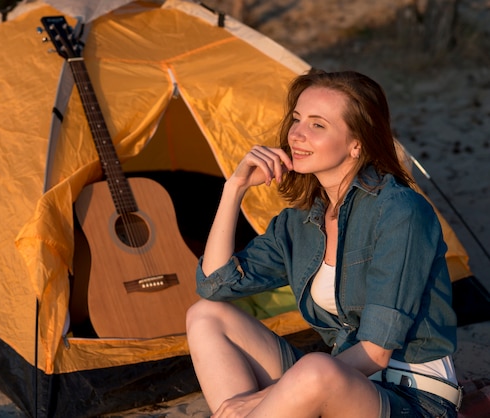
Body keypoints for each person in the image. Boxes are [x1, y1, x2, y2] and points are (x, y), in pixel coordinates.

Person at [186, 70, 461, 417]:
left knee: (316, 369)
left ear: (356, 142)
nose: (296, 134)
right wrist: (234, 189)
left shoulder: (400, 211)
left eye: (318, 125)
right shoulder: (300, 222)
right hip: (334, 383)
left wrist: (261, 398)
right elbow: (213, 284)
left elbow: (376, 352)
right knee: (206, 316)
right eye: (297, 119)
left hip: (412, 399)